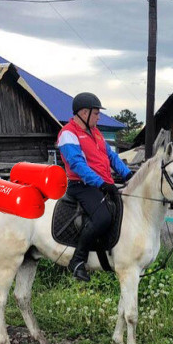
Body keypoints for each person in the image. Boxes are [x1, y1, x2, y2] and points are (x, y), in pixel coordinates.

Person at [57, 92, 132, 282]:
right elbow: (76, 164)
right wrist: (101, 183)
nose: (99, 117)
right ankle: (78, 261)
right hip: (81, 185)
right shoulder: (68, 133)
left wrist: (127, 173)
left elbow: (112, 156)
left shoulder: (96, 132)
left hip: (101, 184)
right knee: (103, 216)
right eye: (96, 113)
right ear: (84, 112)